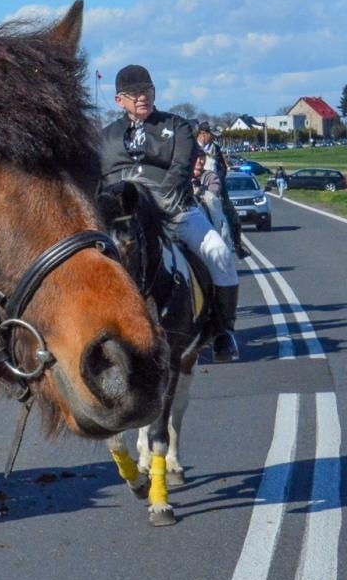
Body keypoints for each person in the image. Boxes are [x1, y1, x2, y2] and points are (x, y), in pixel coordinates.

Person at [99, 65, 241, 362]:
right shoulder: (105, 138)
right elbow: (100, 180)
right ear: (119, 101)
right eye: (134, 94)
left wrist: (155, 206)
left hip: (175, 213)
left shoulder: (177, 127)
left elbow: (180, 169)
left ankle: (223, 330)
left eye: (147, 91)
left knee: (219, 253)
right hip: (122, 221)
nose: (142, 97)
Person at [194, 123, 248, 257]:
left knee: (232, 216)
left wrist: (217, 178)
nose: (214, 138)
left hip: (216, 187)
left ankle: (237, 245)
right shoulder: (190, 146)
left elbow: (223, 167)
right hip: (194, 185)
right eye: (211, 135)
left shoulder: (216, 148)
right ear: (203, 134)